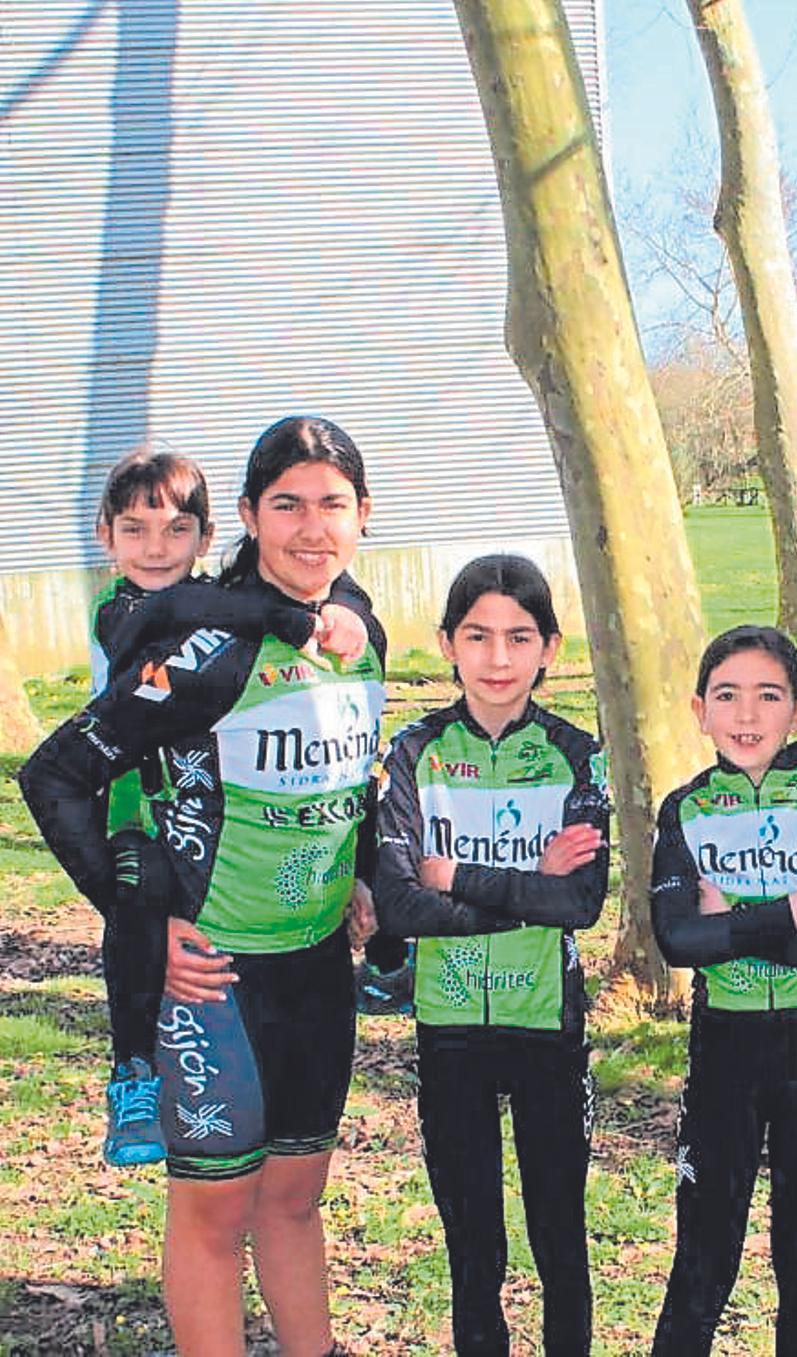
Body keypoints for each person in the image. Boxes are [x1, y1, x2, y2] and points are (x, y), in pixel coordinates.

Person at [20, 415, 385, 1357]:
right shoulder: (205, 645)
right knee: (217, 1214)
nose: (312, 528)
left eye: (333, 505)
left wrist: (355, 873)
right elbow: (56, 775)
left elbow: (345, 778)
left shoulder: (364, 630)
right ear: (251, 520)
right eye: (287, 505)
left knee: (297, 1200)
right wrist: (139, 918)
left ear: (363, 516)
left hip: (316, 969)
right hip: (214, 976)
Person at [84, 442, 369, 1168]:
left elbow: (274, 595)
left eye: (178, 530)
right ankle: (133, 1070)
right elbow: (190, 606)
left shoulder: (216, 602)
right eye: (135, 530)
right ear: (104, 535)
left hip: (194, 805)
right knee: (136, 897)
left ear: (207, 537)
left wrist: (344, 609)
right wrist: (292, 620)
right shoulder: (122, 610)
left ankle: (388, 954)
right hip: (126, 803)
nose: (157, 548)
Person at [372, 553, 609, 1357]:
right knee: (474, 1245)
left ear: (551, 646)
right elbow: (400, 907)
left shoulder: (579, 754)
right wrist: (523, 883)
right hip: (448, 1033)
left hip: (549, 1028)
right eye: (478, 635)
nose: (498, 658)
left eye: (519, 636)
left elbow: (578, 901)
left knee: (559, 1239)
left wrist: (461, 876)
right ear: (446, 642)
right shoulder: (413, 752)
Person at [650, 626, 797, 1356]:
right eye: (727, 695)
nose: (746, 714)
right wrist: (791, 913)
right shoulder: (683, 809)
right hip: (725, 1046)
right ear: (699, 709)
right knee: (703, 1259)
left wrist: (740, 924)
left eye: (768, 695)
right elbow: (679, 940)